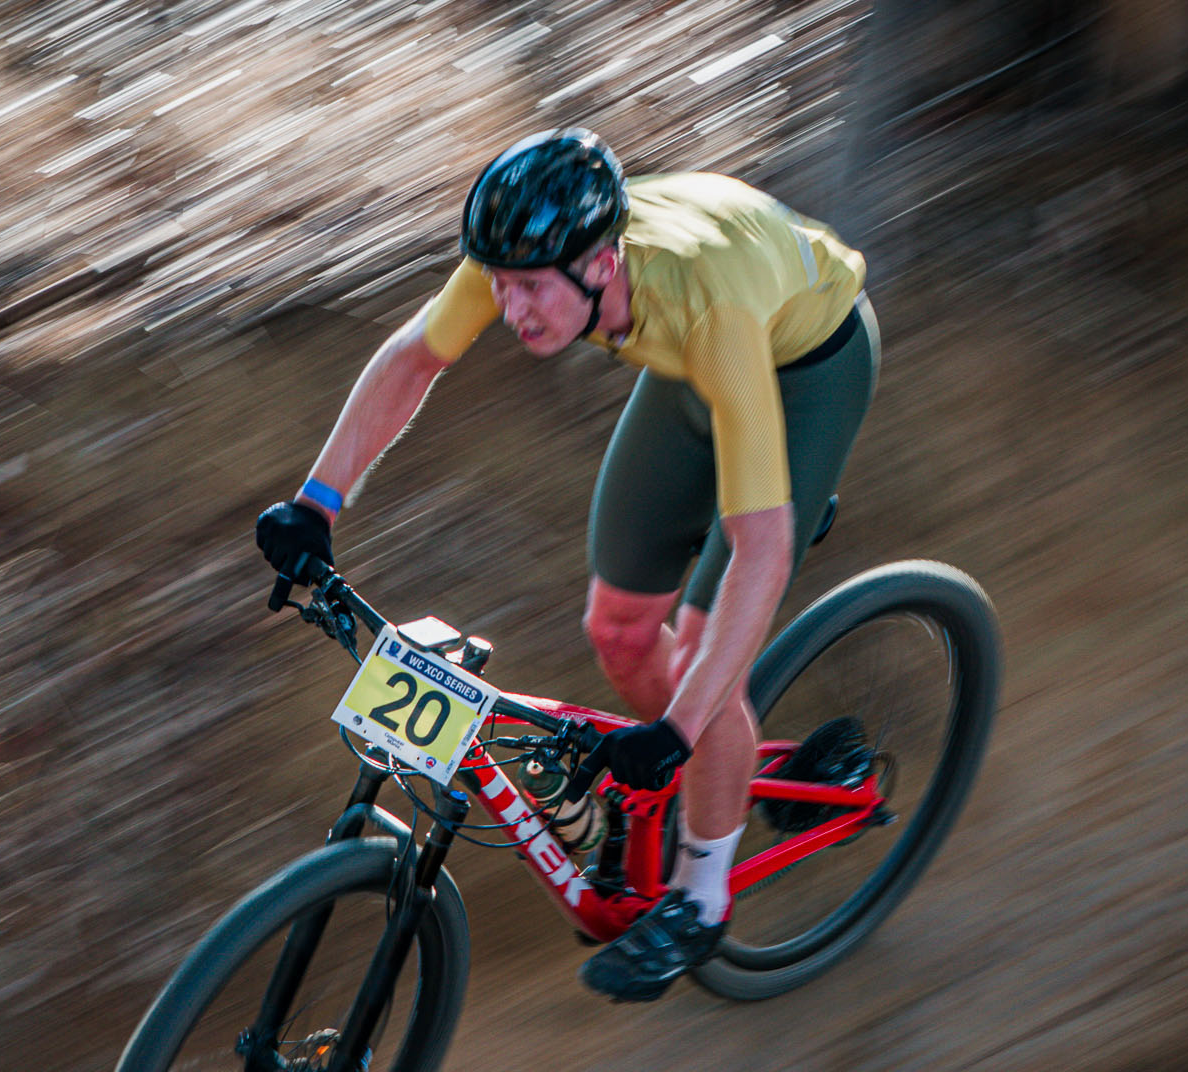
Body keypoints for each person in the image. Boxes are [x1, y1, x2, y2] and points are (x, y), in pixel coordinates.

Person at [256, 128, 878, 1003]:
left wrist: (678, 728)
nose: (511, 308)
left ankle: (701, 895)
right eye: (499, 285)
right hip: (694, 360)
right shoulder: (530, 259)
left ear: (600, 265)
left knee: (705, 667)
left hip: (802, 363)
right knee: (618, 630)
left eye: (530, 288)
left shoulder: (706, 310)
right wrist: (316, 502)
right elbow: (415, 356)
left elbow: (763, 553)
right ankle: (717, 776)